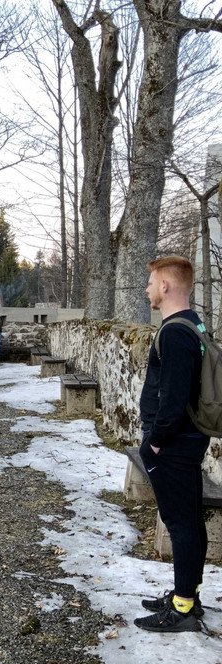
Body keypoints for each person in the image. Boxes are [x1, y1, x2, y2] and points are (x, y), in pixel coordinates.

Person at [135, 256, 209, 632]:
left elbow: (175, 395)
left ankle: (182, 609)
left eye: (151, 282)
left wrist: (157, 442)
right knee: (190, 520)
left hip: (175, 443)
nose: (147, 288)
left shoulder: (175, 331)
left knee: (181, 523)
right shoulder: (193, 324)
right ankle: (187, 596)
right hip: (187, 440)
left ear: (164, 286)